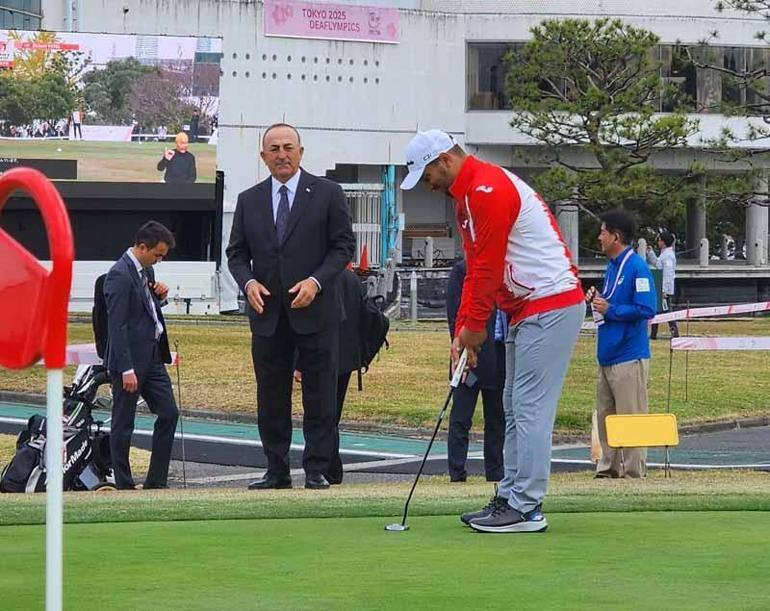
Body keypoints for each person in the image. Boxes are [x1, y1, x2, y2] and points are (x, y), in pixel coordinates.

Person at [401, 130, 584, 534]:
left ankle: (527, 506)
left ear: (445, 160)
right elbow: (472, 271)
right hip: (525, 307)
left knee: (530, 407)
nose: (427, 185)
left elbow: (486, 269)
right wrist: (462, 331)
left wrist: (473, 331)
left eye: (427, 174)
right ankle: (511, 494)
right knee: (513, 404)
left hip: (551, 303)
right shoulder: (466, 197)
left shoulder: (487, 189)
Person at [227, 123, 355, 490]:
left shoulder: (328, 193)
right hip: (268, 316)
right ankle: (276, 469)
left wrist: (316, 282)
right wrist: (248, 282)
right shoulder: (249, 200)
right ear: (263, 156)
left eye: (288, 147)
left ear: (301, 152)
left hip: (316, 312)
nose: (282, 154)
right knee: (271, 397)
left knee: (320, 395)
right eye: (274, 148)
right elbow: (236, 254)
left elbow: (342, 246)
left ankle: (316, 468)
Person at [103, 221, 179, 490]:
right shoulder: (119, 275)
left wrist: (160, 296)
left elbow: (145, 310)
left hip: (152, 357)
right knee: (123, 424)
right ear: (142, 247)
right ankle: (124, 484)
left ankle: (155, 483)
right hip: (129, 363)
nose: (158, 261)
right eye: (157, 255)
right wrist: (125, 369)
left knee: (169, 413)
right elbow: (118, 324)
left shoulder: (145, 271)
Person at [585, 210, 657, 478]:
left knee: (631, 416)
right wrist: (597, 298)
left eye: (603, 232)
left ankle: (633, 471)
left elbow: (646, 308)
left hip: (629, 355)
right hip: (607, 354)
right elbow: (609, 300)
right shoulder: (611, 266)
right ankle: (608, 467)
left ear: (616, 236)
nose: (599, 237)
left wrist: (611, 309)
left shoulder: (637, 267)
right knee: (606, 416)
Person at [446, 259, 505, 483]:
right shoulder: (462, 270)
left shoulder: (503, 269)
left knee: (496, 419)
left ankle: (495, 473)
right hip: (468, 359)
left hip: (498, 358)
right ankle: (457, 473)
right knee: (461, 417)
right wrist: (461, 344)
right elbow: (454, 313)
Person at [647, 230, 679, 339]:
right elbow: (658, 265)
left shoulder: (668, 255)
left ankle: (675, 333)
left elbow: (668, 274)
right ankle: (653, 334)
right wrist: (651, 254)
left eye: (659, 240)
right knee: (657, 309)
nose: (658, 242)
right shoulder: (664, 254)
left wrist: (664, 290)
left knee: (667, 311)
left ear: (663, 242)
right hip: (660, 287)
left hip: (665, 289)